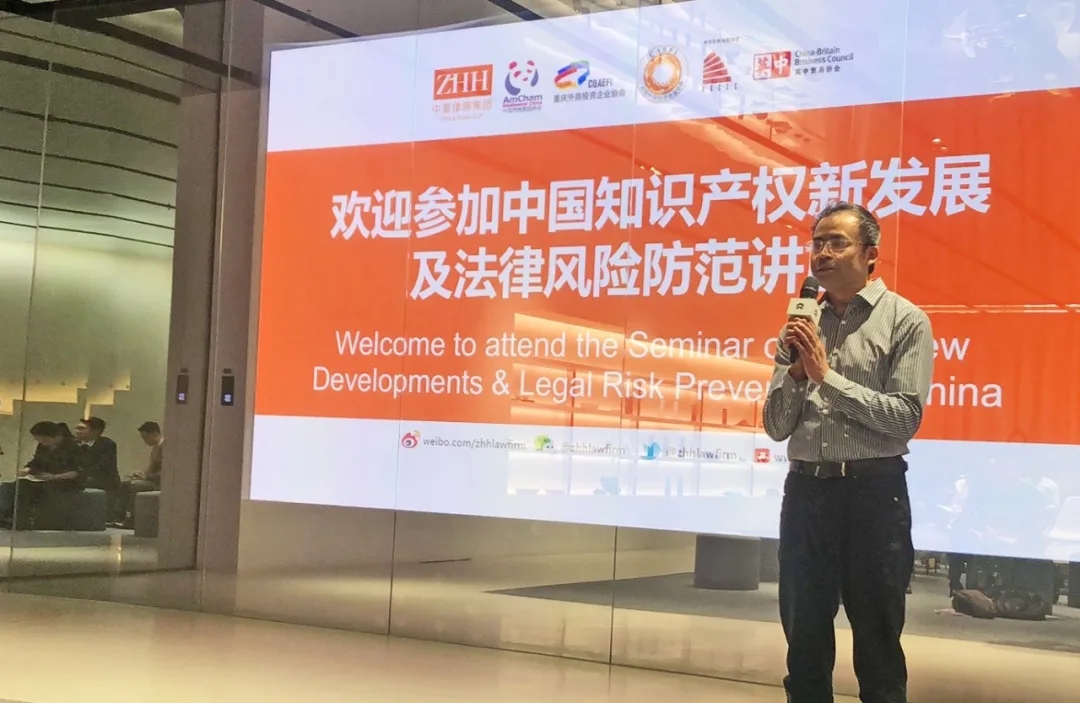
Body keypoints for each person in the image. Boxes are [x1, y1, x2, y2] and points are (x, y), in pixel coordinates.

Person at [762, 202, 935, 703]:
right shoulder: (801, 325)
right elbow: (775, 426)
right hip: (806, 493)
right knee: (804, 642)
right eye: (817, 242)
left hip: (872, 495)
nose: (822, 253)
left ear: (870, 254)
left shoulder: (905, 320)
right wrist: (798, 373)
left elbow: (904, 417)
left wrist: (826, 378)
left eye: (837, 242)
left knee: (878, 646)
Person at [9, 421, 81, 529]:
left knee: (47, 489)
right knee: (19, 485)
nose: (42, 442)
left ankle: (41, 521)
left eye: (44, 439)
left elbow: (78, 471)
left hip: (66, 481)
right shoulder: (43, 447)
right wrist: (27, 470)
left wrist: (54, 477)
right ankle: (19, 519)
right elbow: (37, 462)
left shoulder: (74, 447)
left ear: (54, 436)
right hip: (45, 479)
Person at [112, 421, 164, 529]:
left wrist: (146, 477)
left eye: (145, 438)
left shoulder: (165, 448)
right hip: (152, 479)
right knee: (125, 483)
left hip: (160, 483)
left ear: (154, 434)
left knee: (135, 486)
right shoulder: (155, 448)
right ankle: (118, 516)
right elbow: (152, 467)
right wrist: (141, 473)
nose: (144, 441)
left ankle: (131, 519)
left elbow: (166, 471)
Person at [75, 417, 121, 492]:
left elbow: (102, 466)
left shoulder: (107, 444)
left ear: (96, 431)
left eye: (82, 429)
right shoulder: (72, 444)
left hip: (102, 481)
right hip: (77, 479)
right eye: (77, 428)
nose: (77, 431)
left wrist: (81, 474)